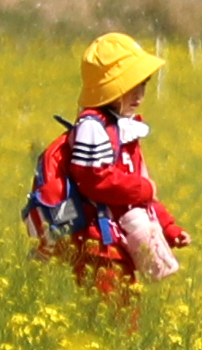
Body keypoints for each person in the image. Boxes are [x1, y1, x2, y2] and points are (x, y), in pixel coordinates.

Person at [56, 33, 190, 298]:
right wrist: (143, 188)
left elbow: (137, 192)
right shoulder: (93, 128)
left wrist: (168, 227)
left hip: (117, 243)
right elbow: (95, 181)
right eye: (131, 86)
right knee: (111, 319)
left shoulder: (122, 128)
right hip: (97, 244)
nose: (140, 94)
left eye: (144, 85)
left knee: (124, 316)